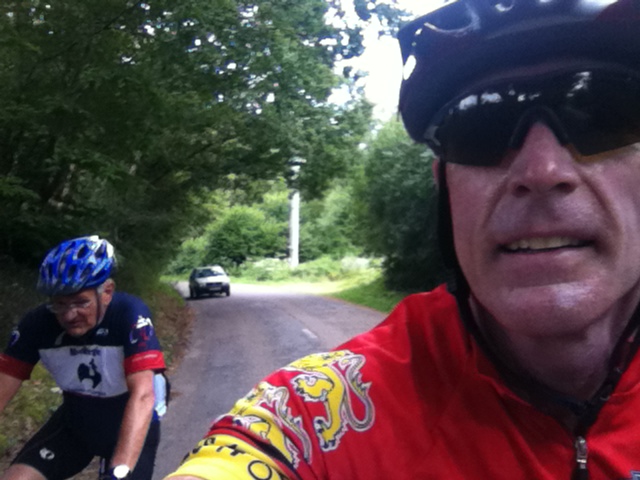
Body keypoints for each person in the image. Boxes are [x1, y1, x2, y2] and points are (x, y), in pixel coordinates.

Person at [165, 0, 640, 478]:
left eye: (605, 113)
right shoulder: (320, 415)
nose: (542, 171)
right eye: (481, 127)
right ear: (444, 188)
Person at [0, 236, 168, 480]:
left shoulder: (128, 313)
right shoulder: (37, 323)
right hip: (77, 418)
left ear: (107, 292)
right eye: (60, 304)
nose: (70, 315)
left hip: (129, 416)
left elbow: (143, 395)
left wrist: (119, 472)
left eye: (81, 302)